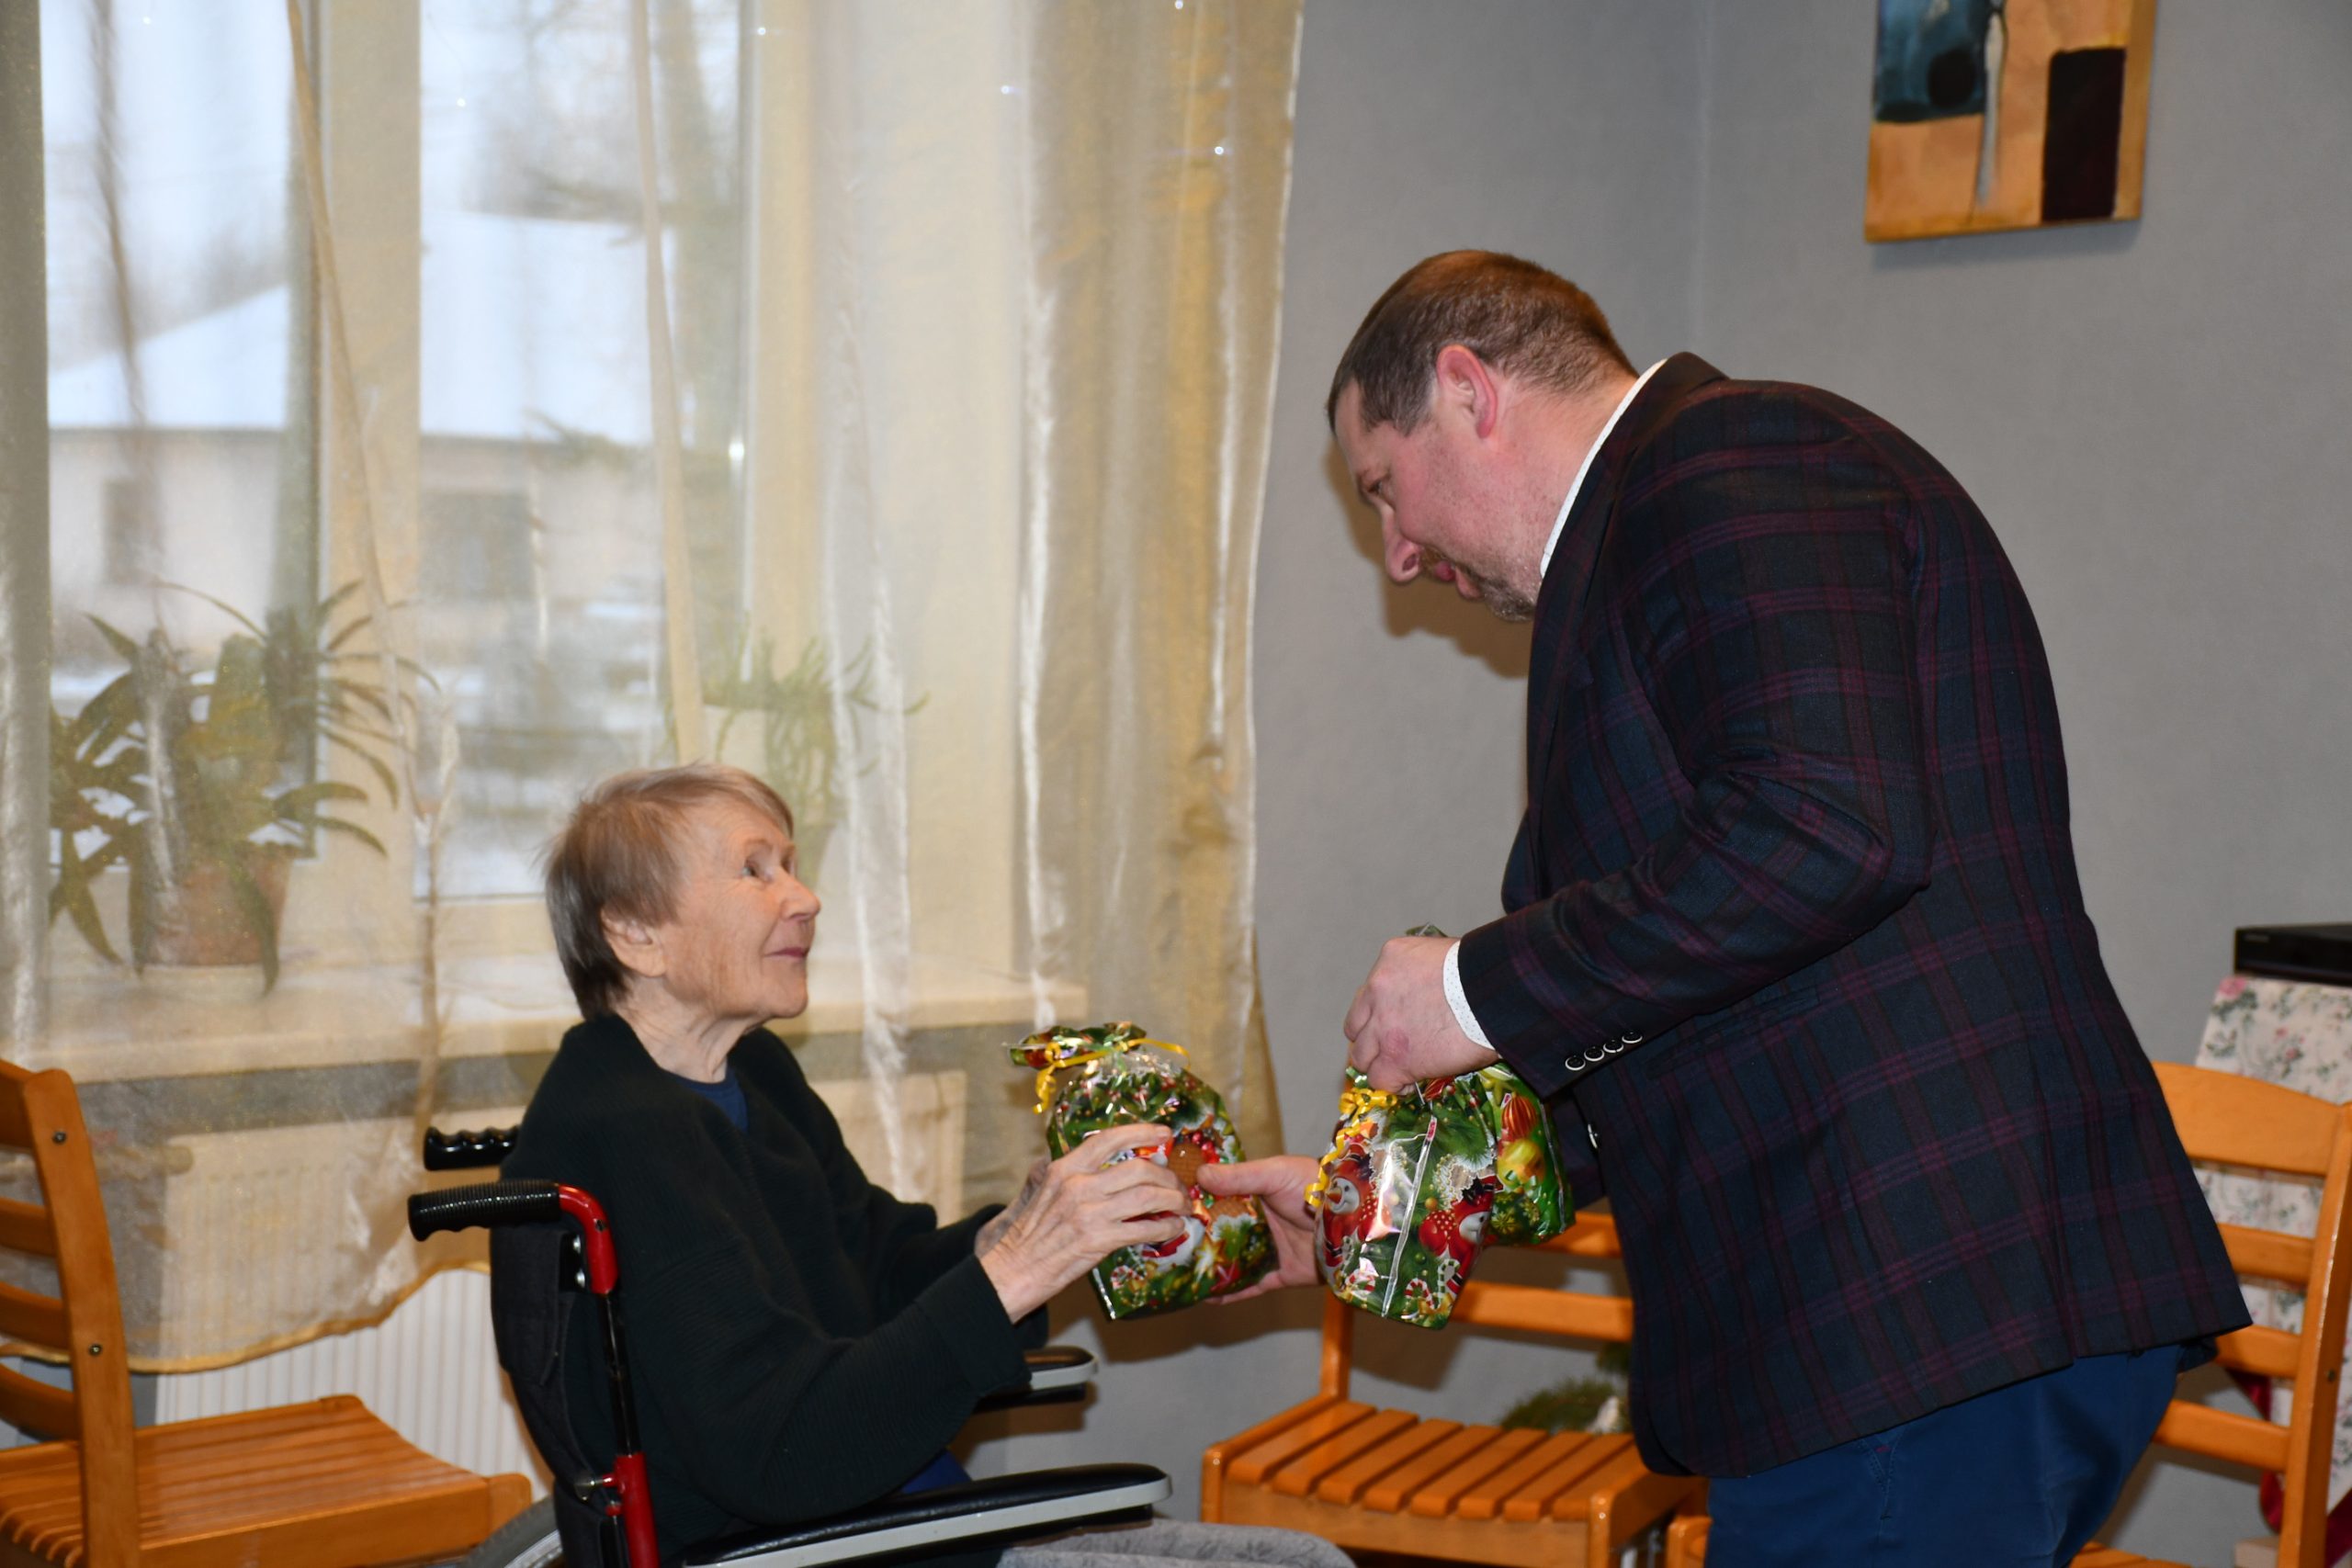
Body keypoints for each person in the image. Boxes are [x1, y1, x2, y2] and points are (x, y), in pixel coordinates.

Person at [1197, 252, 2250, 1567]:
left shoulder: (1724, 459)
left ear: (1467, 391)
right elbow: (1675, 1000)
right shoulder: (1666, 522)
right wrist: (1382, 1199)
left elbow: (1827, 827)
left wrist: (1469, 986)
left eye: (1382, 489)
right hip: (1910, 1321)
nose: (1399, 556)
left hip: (1910, 1305)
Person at [506, 763, 1350, 1568]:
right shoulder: (625, 1131)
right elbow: (782, 1452)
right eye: (755, 870)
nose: (805, 897)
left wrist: (1029, 1230)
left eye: (792, 865)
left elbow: (880, 1274)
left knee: (1306, 1555)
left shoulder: (750, 1073)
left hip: (894, 1515)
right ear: (636, 933)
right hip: (812, 1542)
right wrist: (1020, 1268)